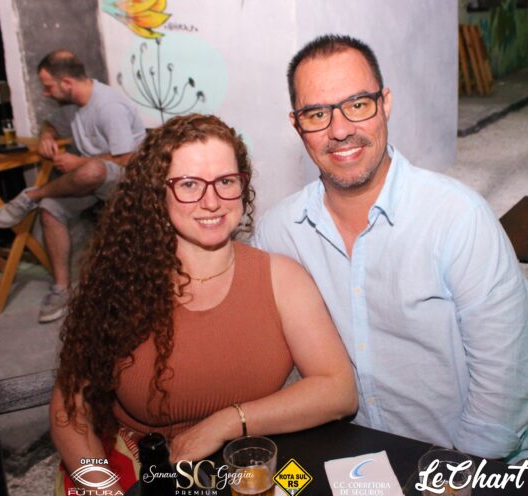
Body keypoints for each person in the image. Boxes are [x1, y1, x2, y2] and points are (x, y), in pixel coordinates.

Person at [254, 34, 528, 463]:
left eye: (357, 104)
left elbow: (503, 393)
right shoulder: (279, 233)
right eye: (317, 114)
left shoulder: (458, 218)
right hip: (349, 460)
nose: (340, 130)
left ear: (385, 104)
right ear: (297, 125)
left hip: (462, 463)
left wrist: (450, 480)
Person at [50, 114, 357, 493]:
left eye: (225, 181)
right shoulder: (120, 282)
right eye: (189, 184)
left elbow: (338, 391)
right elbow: (69, 408)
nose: (212, 201)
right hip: (147, 471)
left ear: (242, 186)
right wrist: (101, 486)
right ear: (157, 192)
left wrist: (228, 421)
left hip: (247, 465)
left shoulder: (282, 278)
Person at [0, 50, 146, 323]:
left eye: (48, 86)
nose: (46, 93)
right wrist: (47, 136)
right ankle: (61, 289)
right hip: (91, 180)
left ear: (66, 83)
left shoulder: (108, 106)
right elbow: (52, 122)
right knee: (50, 208)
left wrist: (79, 162)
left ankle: (32, 196)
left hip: (128, 178)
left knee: (91, 169)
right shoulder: (75, 105)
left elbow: (128, 158)